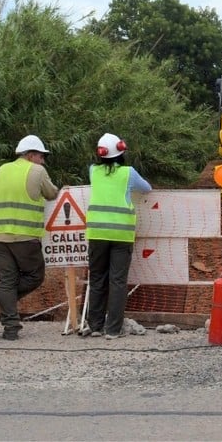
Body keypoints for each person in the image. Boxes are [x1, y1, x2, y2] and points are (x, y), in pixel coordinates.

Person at [0, 135, 59, 340]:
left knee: (7, 280)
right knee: (35, 276)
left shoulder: (2, 170)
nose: (43, 160)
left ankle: (11, 327)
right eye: (42, 156)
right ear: (31, 155)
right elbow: (51, 194)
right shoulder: (37, 171)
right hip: (25, 236)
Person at [83, 133, 152, 339]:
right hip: (121, 233)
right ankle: (112, 329)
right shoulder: (128, 173)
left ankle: (94, 326)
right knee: (117, 281)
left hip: (96, 233)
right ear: (121, 150)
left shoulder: (93, 171)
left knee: (97, 279)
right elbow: (147, 189)